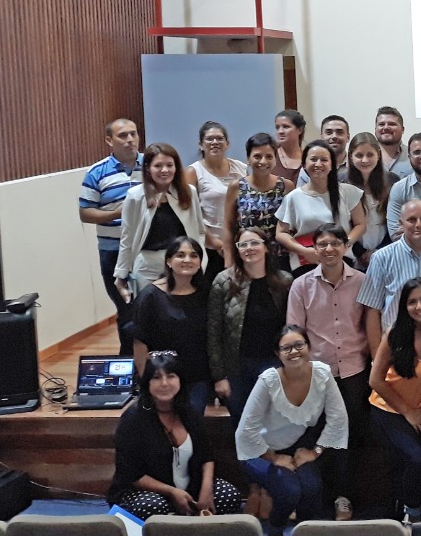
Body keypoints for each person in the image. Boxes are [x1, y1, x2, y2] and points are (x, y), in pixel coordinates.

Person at [236, 325, 349, 536]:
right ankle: (275, 533)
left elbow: (338, 418)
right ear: (277, 354)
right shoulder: (268, 381)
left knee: (312, 487)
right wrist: (274, 458)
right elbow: (245, 431)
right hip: (258, 450)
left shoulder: (322, 374)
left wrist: (315, 452)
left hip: (294, 447)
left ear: (309, 347)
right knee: (289, 489)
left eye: (299, 345)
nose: (294, 351)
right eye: (286, 348)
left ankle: (302, 534)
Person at [286, 223, 369, 521]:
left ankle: (343, 498)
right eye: (322, 244)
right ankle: (313, 501)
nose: (329, 249)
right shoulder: (301, 285)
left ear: (346, 246)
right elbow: (294, 332)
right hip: (317, 376)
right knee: (313, 435)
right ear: (315, 249)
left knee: (346, 439)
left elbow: (370, 326)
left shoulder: (362, 281)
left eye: (335, 243)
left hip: (354, 373)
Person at [108, 352, 242, 520]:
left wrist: (206, 490)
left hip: (190, 488)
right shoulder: (133, 419)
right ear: (147, 383)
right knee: (152, 507)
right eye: (157, 378)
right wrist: (172, 492)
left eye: (171, 376)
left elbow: (206, 455)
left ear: (180, 380)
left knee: (229, 496)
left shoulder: (190, 412)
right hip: (148, 492)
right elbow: (131, 474)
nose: (164, 383)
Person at [368, 278, 421, 523]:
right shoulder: (394, 334)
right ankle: (411, 514)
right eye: (412, 302)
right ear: (404, 307)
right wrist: (407, 412)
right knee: (415, 457)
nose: (419, 306)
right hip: (389, 408)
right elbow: (375, 380)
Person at [208, 227, 294, 422]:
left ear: (266, 248)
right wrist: (219, 376)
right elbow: (213, 331)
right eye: (243, 244)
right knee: (243, 424)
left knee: (272, 422)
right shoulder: (223, 281)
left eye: (255, 243)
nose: (249, 248)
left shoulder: (285, 281)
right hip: (236, 367)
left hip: (273, 364)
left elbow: (291, 327)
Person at [80, 117, 143, 354]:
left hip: (147, 250)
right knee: (126, 309)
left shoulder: (151, 165)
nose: (130, 140)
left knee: (153, 306)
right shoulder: (96, 172)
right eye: (123, 135)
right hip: (113, 252)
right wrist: (118, 212)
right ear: (109, 140)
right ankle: (128, 362)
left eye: (133, 134)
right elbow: (85, 213)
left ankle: (155, 364)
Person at [130, 238, 214, 416]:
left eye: (194, 255)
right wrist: (147, 381)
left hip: (197, 378)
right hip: (163, 378)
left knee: (191, 422)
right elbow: (140, 343)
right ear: (168, 261)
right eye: (180, 255)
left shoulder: (207, 293)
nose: (187, 260)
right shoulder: (150, 296)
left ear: (200, 262)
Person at [358, 199, 421, 342]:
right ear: (401, 223)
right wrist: (377, 353)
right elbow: (371, 309)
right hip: (395, 343)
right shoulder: (381, 258)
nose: (418, 224)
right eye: (411, 220)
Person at [114, 143, 205, 302]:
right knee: (150, 312)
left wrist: (200, 263)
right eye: (158, 166)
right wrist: (121, 275)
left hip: (181, 264)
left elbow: (199, 231)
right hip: (147, 266)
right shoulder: (135, 196)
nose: (164, 170)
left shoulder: (189, 192)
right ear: (148, 168)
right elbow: (127, 238)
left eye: (169, 165)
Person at [275, 140, 366, 274]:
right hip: (307, 261)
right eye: (313, 159)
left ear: (332, 164)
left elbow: (360, 225)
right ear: (304, 164)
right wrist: (304, 251)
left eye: (324, 160)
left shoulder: (348, 192)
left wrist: (344, 244)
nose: (318, 164)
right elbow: (281, 233)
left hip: (341, 259)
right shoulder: (293, 197)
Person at [186, 121, 248, 281]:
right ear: (200, 145)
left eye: (220, 138)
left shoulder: (242, 168)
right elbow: (190, 213)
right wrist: (216, 242)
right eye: (209, 139)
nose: (215, 142)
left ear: (228, 144)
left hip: (240, 244)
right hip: (209, 246)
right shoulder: (193, 172)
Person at [225, 133, 294, 266]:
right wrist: (229, 263)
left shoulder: (286, 186)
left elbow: (292, 227)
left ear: (275, 159)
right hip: (248, 257)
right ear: (248, 158)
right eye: (257, 156)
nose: (263, 161)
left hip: (281, 259)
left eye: (269, 156)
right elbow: (228, 227)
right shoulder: (236, 187)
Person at [346, 132, 401, 270]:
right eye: (359, 155)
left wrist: (379, 250)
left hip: (386, 253)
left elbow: (395, 222)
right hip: (352, 255)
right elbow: (343, 224)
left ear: (378, 155)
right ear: (351, 156)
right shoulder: (343, 184)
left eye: (370, 155)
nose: (365, 160)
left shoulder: (392, 181)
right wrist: (361, 252)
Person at [296, 115, 352, 186]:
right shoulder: (309, 168)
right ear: (321, 136)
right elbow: (301, 192)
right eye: (329, 132)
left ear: (348, 137)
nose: (334, 136)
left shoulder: (356, 166)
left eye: (339, 132)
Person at [375, 106, 413, 179]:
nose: (386, 127)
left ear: (402, 129)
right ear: (375, 129)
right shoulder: (365, 158)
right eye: (381, 124)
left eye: (392, 124)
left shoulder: (414, 156)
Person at [273, 110, 306, 184]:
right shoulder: (270, 156)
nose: (280, 131)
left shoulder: (308, 158)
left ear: (300, 130)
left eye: (286, 127)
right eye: (277, 127)